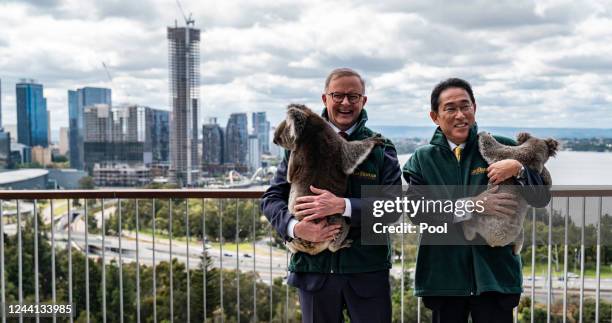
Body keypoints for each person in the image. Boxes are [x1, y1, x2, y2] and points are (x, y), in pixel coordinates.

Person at [402, 78, 551, 323]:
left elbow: (541, 198)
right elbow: (418, 213)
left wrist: (520, 169)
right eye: (450, 108)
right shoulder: (422, 159)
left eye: (465, 106)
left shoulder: (503, 147)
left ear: (475, 108)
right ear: (435, 116)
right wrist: (473, 205)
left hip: (495, 277)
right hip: (444, 278)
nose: (460, 114)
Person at [261, 67, 402, 323]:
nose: (345, 102)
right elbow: (271, 199)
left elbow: (392, 209)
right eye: (337, 95)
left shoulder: (380, 149)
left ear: (364, 101)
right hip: (314, 273)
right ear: (324, 98)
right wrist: (295, 228)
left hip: (367, 271)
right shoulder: (299, 143)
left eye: (353, 96)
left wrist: (342, 205)